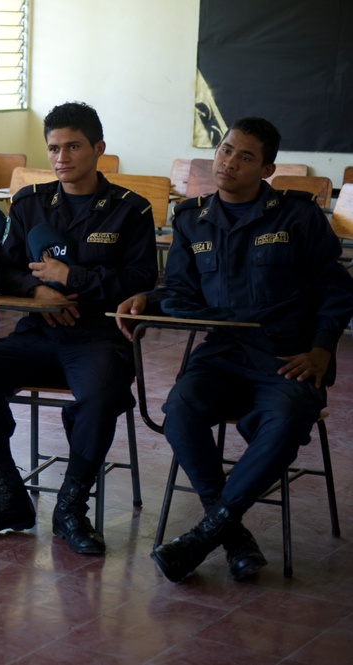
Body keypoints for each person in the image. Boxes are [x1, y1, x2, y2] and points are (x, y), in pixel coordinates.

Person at [117, 117, 353, 582]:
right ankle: (226, 532)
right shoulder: (192, 218)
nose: (230, 162)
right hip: (222, 353)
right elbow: (183, 291)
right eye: (226, 150)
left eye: (246, 156)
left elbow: (336, 288)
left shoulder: (298, 215)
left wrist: (324, 350)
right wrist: (151, 298)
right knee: (180, 409)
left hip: (286, 355)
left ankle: (206, 534)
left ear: (267, 169)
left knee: (286, 420)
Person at [0, 102, 158, 555]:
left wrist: (73, 280)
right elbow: (1, 271)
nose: (62, 157)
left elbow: (143, 282)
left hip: (99, 337)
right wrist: (37, 293)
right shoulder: (30, 203)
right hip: (39, 332)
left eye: (73, 146)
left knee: (101, 395)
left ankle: (71, 507)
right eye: (53, 148)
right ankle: (8, 496)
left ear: (98, 148)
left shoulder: (131, 211)